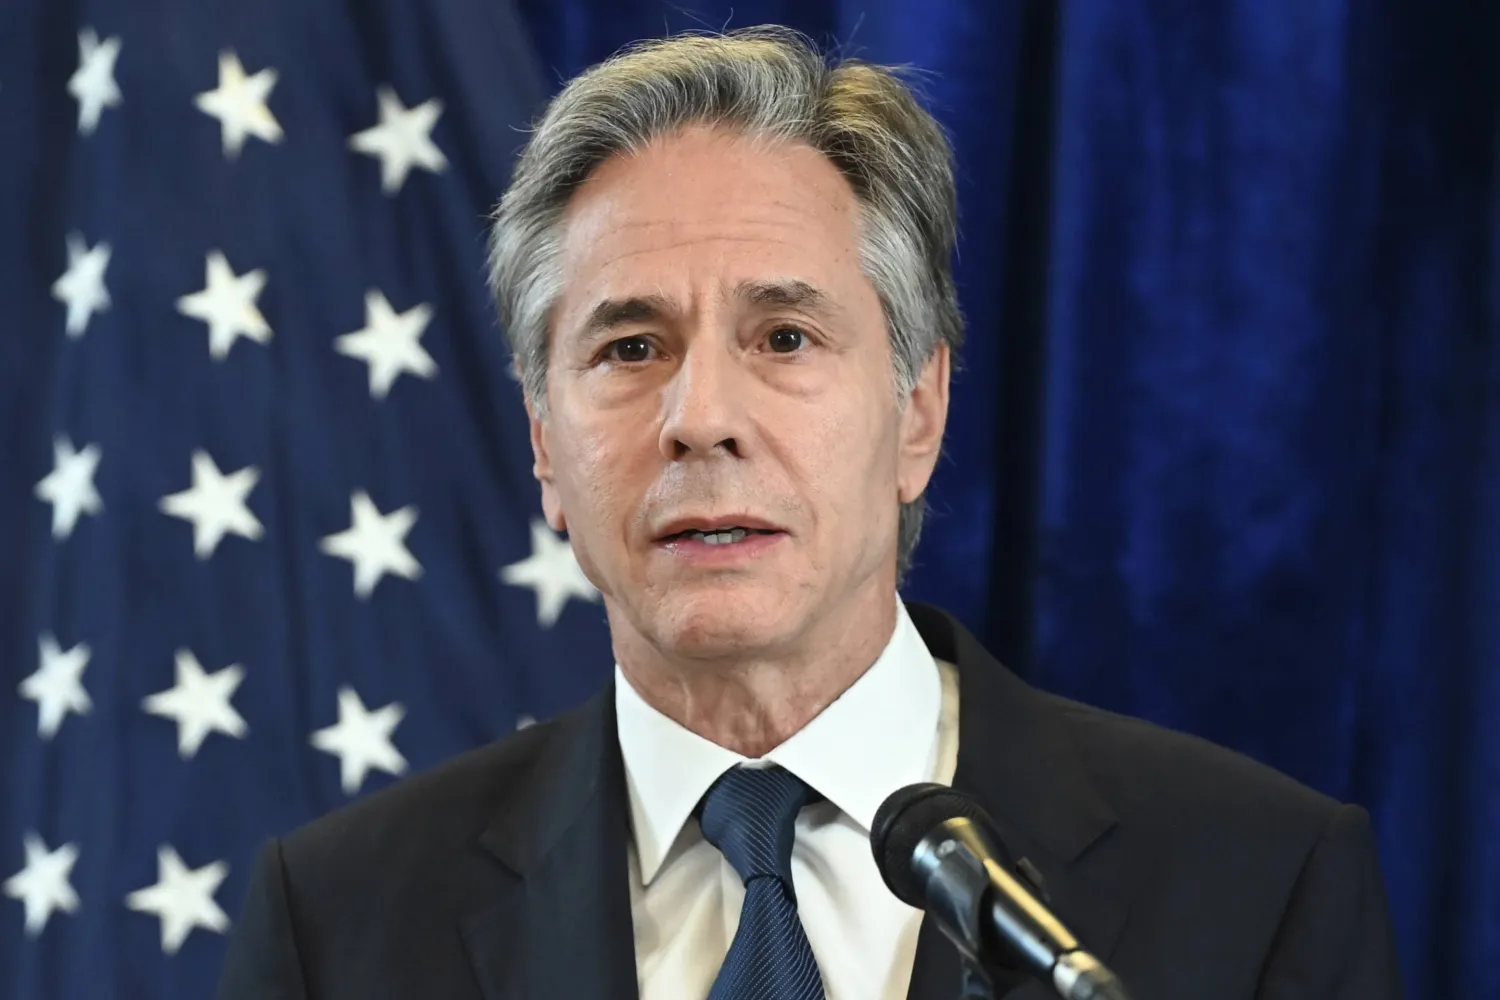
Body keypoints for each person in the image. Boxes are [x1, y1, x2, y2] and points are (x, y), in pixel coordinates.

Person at [213, 26, 1404, 1000]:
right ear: (543, 446)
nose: (700, 418)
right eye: (630, 347)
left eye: (784, 337)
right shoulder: (339, 925)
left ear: (919, 410)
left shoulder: (1259, 884)